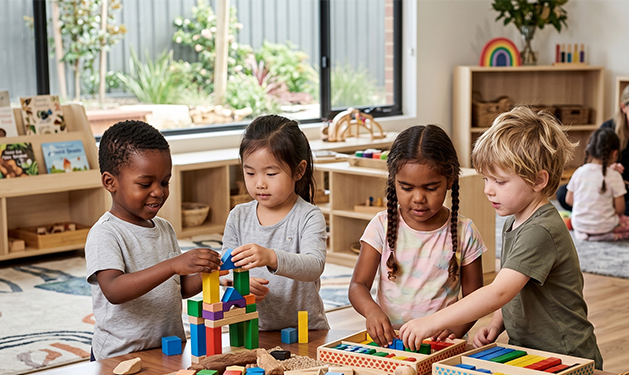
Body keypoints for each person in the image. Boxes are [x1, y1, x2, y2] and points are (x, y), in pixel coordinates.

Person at [398, 107, 603, 369]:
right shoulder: (515, 222)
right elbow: (514, 288)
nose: (488, 190)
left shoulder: (540, 231)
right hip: (532, 353)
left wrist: (432, 321)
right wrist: (497, 322)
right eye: (486, 178)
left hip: (567, 357)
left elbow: (499, 291)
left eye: (500, 181)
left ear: (539, 180)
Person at [86, 120, 221, 360]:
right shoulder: (105, 233)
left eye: (165, 182)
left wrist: (208, 273)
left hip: (167, 350)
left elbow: (178, 288)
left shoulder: (165, 229)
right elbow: (114, 290)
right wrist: (172, 265)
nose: (158, 191)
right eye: (145, 184)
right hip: (119, 355)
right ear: (110, 182)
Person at [348, 125, 487, 347]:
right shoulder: (380, 226)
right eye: (406, 187)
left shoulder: (465, 231)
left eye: (431, 188)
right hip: (391, 342)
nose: (418, 198)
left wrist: (452, 331)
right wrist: (372, 311)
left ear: (450, 180)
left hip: (441, 345)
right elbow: (358, 285)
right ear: (394, 181)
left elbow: (476, 299)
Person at [223, 115, 329, 332]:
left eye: (271, 173)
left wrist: (271, 257)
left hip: (306, 330)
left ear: (299, 170)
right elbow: (225, 269)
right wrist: (238, 283)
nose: (259, 183)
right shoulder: (238, 216)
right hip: (254, 329)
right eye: (250, 172)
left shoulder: (308, 216)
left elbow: (314, 266)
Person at [557, 82, 629, 230]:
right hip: (608, 192)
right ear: (624, 107)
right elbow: (591, 166)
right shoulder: (608, 129)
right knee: (563, 192)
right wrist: (606, 169)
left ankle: (597, 216)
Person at [565, 128, 629, 241]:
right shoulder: (614, 176)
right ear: (615, 153)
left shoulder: (579, 171)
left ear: (590, 150)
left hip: (579, 224)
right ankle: (605, 235)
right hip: (605, 226)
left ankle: (584, 233)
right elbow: (620, 210)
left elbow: (569, 200)